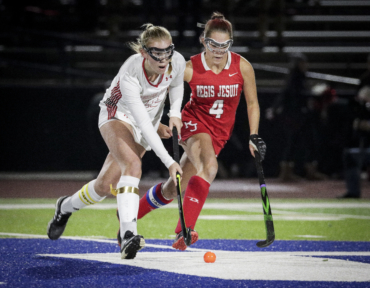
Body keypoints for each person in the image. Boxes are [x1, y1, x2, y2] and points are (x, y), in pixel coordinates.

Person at [117, 12, 267, 251]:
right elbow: (158, 91)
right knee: (210, 167)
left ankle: (127, 217)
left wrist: (253, 134)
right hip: (193, 123)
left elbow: (252, 104)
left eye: (224, 45)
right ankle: (185, 230)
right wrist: (157, 121)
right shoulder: (189, 67)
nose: (218, 50)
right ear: (203, 41)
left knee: (172, 187)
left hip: (220, 133)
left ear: (231, 43)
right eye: (213, 44)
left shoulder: (242, 67)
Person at [47, 24, 186, 260]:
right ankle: (128, 233)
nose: (164, 59)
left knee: (103, 186)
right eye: (157, 53)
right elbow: (141, 123)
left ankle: (65, 207)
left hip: (148, 118)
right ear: (143, 53)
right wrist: (170, 162)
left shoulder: (177, 61)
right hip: (118, 115)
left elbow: (176, 85)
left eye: (167, 51)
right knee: (132, 165)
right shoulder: (131, 72)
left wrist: (174, 113)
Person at [266, 53, 327, 181]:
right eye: (303, 63)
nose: (306, 66)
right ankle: (287, 173)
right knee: (293, 143)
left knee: (305, 142)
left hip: (300, 116)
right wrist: (314, 94)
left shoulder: (299, 78)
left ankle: (308, 170)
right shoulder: (295, 78)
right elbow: (290, 96)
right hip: (295, 117)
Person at [339, 54, 370, 198]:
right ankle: (353, 191)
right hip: (363, 133)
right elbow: (356, 106)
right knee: (350, 156)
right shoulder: (364, 80)